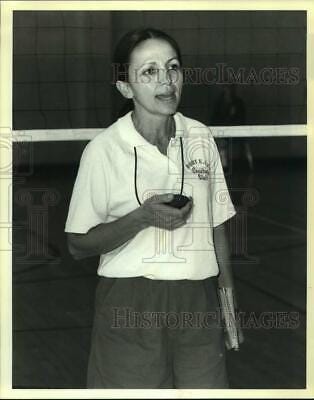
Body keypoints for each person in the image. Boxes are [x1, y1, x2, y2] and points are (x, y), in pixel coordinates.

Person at [65, 27, 238, 389]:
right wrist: (142, 217)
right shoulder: (103, 150)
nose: (167, 81)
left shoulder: (200, 137)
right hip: (130, 303)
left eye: (173, 68)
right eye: (150, 72)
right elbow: (77, 244)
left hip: (198, 301)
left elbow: (217, 225)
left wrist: (227, 300)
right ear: (125, 87)